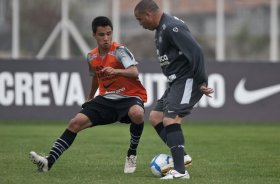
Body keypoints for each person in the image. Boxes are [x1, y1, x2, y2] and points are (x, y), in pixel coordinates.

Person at [29, 16, 147, 174]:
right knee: (75, 122)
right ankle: (48, 162)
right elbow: (96, 77)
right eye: (101, 34)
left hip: (130, 97)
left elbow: (134, 72)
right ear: (94, 35)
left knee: (137, 113)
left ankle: (132, 153)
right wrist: (90, 97)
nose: (106, 38)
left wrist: (116, 70)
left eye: (109, 33)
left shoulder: (120, 51)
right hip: (106, 99)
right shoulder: (91, 56)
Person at [134, 0, 214, 179]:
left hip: (187, 79)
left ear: (148, 14)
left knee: (170, 120)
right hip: (174, 82)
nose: (140, 24)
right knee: (156, 117)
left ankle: (180, 171)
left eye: (140, 20)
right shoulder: (161, 29)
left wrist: (201, 81)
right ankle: (181, 156)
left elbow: (196, 52)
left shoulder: (171, 27)